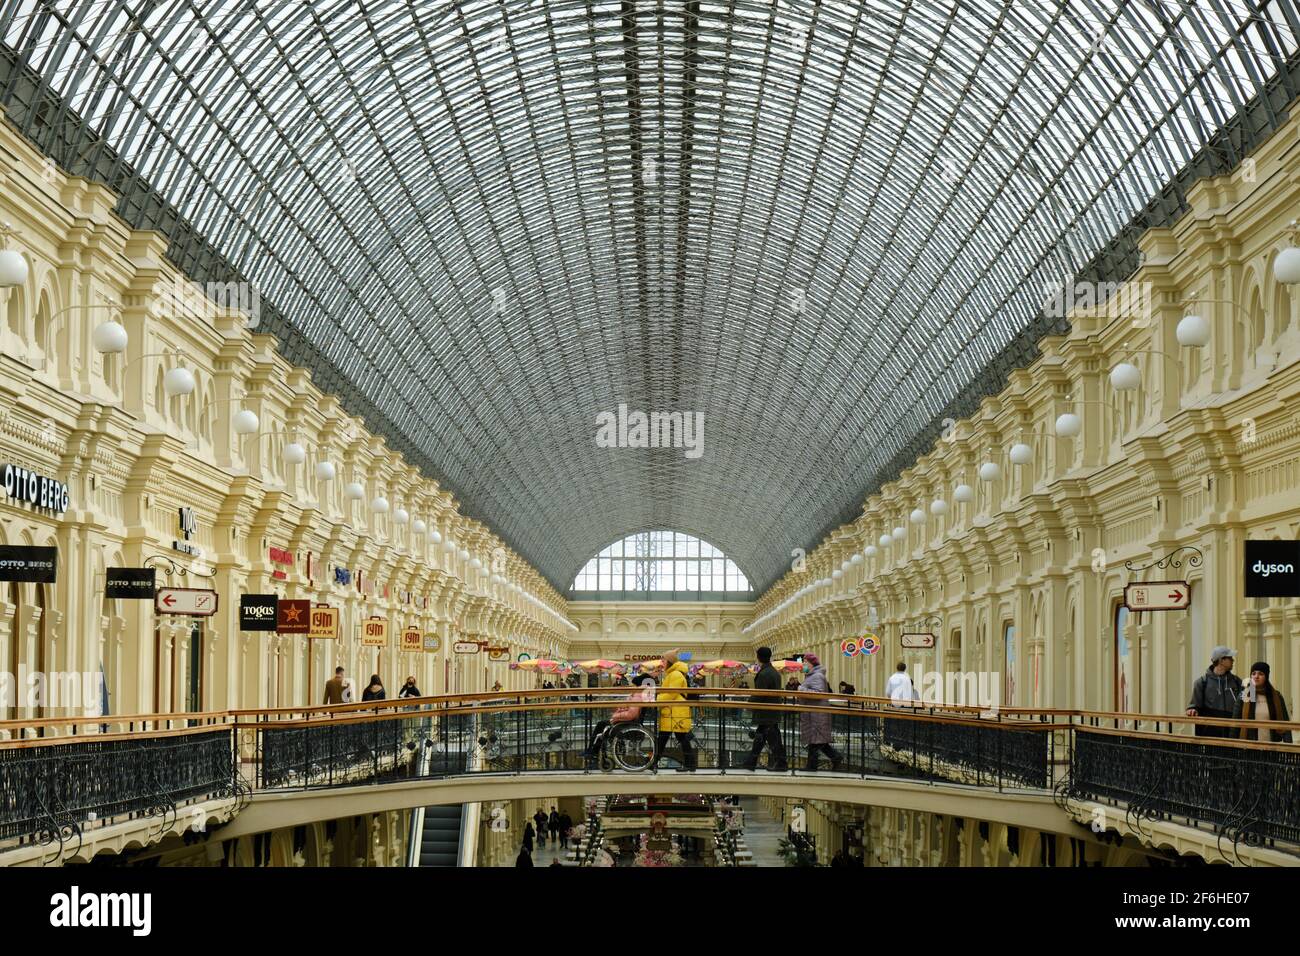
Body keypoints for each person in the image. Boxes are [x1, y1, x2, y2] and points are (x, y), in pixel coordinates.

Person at [583, 674, 654, 757]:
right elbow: (631, 710)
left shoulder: (638, 695)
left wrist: (616, 716)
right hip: (629, 722)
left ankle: (593, 751)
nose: (632, 686)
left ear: (639, 685)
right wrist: (621, 709)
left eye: (634, 685)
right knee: (602, 725)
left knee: (602, 725)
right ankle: (593, 750)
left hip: (628, 723)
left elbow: (631, 714)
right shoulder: (639, 694)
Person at [742, 646, 788, 771]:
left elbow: (760, 694)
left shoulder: (764, 673)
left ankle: (781, 763)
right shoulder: (774, 672)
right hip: (771, 710)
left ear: (758, 657)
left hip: (766, 711)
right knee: (762, 735)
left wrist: (749, 705)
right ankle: (751, 762)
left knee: (771, 737)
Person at [651, 650, 696, 771]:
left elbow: (671, 693)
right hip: (672, 711)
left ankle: (690, 765)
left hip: (676, 712)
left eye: (664, 660)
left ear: (670, 662)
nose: (662, 662)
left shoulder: (676, 674)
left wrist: (656, 699)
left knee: (678, 738)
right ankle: (654, 763)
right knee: (666, 739)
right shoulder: (672, 674)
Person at [799, 654, 843, 771]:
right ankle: (832, 758)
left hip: (817, 714)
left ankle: (813, 765)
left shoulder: (817, 676)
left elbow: (818, 693)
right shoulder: (811, 676)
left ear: (811, 663)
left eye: (805, 662)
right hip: (813, 713)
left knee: (816, 741)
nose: (803, 664)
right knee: (816, 740)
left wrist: (801, 689)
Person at [1187, 647, 1242, 737]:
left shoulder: (1237, 681)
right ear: (1221, 660)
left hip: (1232, 734)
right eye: (1230, 658)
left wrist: (1252, 685)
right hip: (1209, 736)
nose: (1233, 660)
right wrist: (1192, 710)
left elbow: (1248, 701)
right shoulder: (1201, 682)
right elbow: (1194, 706)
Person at [1232, 662, 1293, 743]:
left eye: (1260, 674)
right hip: (1249, 746)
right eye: (1253, 674)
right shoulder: (1245, 695)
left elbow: (1285, 723)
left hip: (1272, 745)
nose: (1256, 676)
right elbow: (1235, 723)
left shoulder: (1275, 696)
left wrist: (1288, 746)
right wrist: (1233, 745)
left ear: (1266, 677)